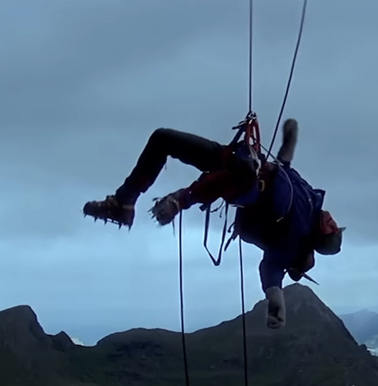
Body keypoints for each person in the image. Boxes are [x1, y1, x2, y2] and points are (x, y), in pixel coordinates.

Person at [83, 118, 344, 329]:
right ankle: (122, 204)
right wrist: (289, 143)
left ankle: (182, 199)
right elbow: (285, 168)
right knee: (163, 139)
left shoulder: (294, 238)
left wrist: (276, 302)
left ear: (318, 237)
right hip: (236, 160)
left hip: (249, 183)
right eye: (336, 225)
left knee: (244, 173)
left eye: (331, 230)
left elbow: (271, 269)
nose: (333, 223)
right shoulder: (312, 199)